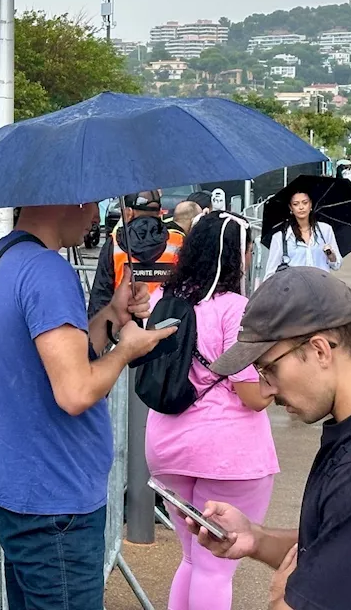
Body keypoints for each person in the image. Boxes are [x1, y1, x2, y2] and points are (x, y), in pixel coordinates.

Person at [191, 267, 351, 610]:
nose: (267, 389)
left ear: (320, 350)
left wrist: (281, 598)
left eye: (269, 369)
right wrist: (256, 538)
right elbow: (347, 548)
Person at [0, 202, 176, 609]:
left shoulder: (3, 260)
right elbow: (76, 392)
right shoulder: (48, 271)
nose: (94, 218)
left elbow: (59, 358)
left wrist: (112, 315)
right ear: (71, 201)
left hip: (20, 489)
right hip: (56, 501)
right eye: (92, 204)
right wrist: (126, 350)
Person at [146, 212, 277, 610]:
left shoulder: (161, 300)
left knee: (191, 560)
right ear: (237, 255)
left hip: (168, 445)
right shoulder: (235, 308)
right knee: (214, 568)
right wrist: (276, 385)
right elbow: (251, 394)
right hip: (228, 454)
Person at [88, 190, 184, 317]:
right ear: (160, 212)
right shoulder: (178, 242)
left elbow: (101, 295)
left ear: (128, 212)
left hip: (123, 325)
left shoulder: (114, 242)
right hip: (165, 323)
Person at [263, 191, 340, 279]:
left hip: (322, 286)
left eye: (305, 203)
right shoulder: (279, 237)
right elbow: (270, 273)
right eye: (296, 204)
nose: (301, 207)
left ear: (310, 204)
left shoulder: (325, 230)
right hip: (294, 289)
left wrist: (331, 256)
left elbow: (336, 265)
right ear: (290, 207)